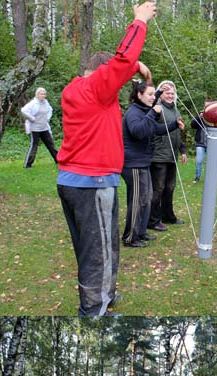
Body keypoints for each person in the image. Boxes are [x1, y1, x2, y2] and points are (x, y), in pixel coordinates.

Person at [55, 2, 156, 315]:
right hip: (92, 184)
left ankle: (105, 297)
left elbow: (121, 67)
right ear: (101, 73)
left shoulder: (76, 89)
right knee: (97, 254)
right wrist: (139, 21)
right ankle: (94, 310)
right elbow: (121, 60)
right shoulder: (95, 89)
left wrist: (134, 67)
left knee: (101, 248)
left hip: (75, 181)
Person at [121, 81, 179, 248]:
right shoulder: (134, 113)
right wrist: (153, 112)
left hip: (143, 162)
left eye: (155, 95)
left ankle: (140, 231)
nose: (154, 98)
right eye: (150, 94)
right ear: (139, 95)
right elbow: (138, 131)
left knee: (146, 199)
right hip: (133, 164)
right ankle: (130, 237)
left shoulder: (144, 110)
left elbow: (156, 129)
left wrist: (175, 124)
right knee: (137, 200)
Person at [148, 80, 187, 231]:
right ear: (161, 94)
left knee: (170, 188)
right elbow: (149, 111)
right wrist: (157, 94)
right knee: (158, 188)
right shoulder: (157, 108)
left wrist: (182, 150)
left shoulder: (176, 110)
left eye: (172, 93)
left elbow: (177, 131)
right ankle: (153, 220)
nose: (170, 95)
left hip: (172, 155)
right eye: (167, 92)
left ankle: (168, 216)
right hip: (159, 155)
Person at [21, 87, 59, 167]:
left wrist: (47, 118)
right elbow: (23, 110)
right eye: (41, 94)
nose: (43, 95)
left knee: (50, 144)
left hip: (44, 127)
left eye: (44, 94)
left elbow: (50, 110)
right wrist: (32, 118)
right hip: (35, 128)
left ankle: (58, 160)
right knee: (34, 145)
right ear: (37, 94)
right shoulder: (33, 103)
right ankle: (28, 164)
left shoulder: (46, 102)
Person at [191, 112, 208, 183]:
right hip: (200, 144)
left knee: (210, 162)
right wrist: (199, 117)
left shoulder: (214, 116)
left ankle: (209, 178)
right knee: (199, 161)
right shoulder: (201, 116)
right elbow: (193, 125)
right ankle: (197, 177)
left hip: (211, 144)